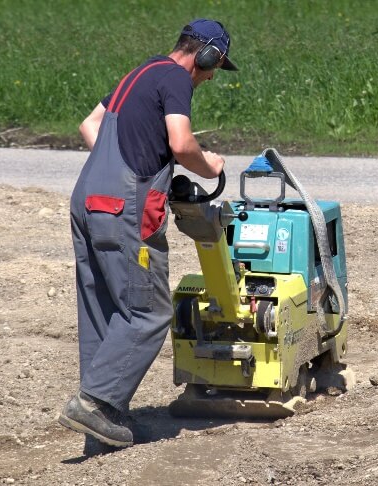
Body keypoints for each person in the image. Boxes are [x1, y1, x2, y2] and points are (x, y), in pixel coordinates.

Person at [58, 18, 238, 450]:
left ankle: (101, 422)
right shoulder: (176, 77)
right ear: (206, 54)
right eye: (215, 67)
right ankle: (95, 402)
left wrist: (118, 168)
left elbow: (90, 125)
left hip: (87, 200)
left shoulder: (139, 73)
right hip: (126, 208)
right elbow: (180, 143)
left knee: (104, 309)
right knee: (149, 311)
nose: (212, 76)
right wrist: (209, 166)